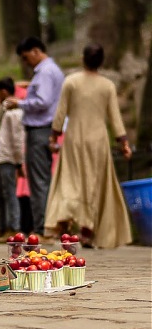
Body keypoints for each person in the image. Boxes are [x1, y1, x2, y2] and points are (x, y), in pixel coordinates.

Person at [44, 43, 133, 248]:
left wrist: (53, 137)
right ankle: (87, 230)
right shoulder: (107, 86)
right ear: (101, 62)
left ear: (83, 59)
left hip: (74, 137)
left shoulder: (71, 82)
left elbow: (60, 114)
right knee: (94, 184)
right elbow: (115, 118)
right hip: (98, 141)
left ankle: (65, 220)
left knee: (71, 181)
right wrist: (124, 142)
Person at [3, 36, 64, 240]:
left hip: (40, 129)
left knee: (39, 180)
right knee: (41, 178)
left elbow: (43, 101)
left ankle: (43, 226)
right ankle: (46, 223)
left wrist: (19, 103)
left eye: (26, 56)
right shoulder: (49, 70)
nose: (26, 61)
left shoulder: (46, 71)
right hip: (42, 129)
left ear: (36, 51)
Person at [0, 77, 25, 241]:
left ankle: (14, 227)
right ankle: (3, 227)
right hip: (1, 157)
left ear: (4, 91)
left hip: (8, 159)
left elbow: (17, 139)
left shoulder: (14, 113)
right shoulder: (7, 112)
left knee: (9, 193)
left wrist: (19, 161)